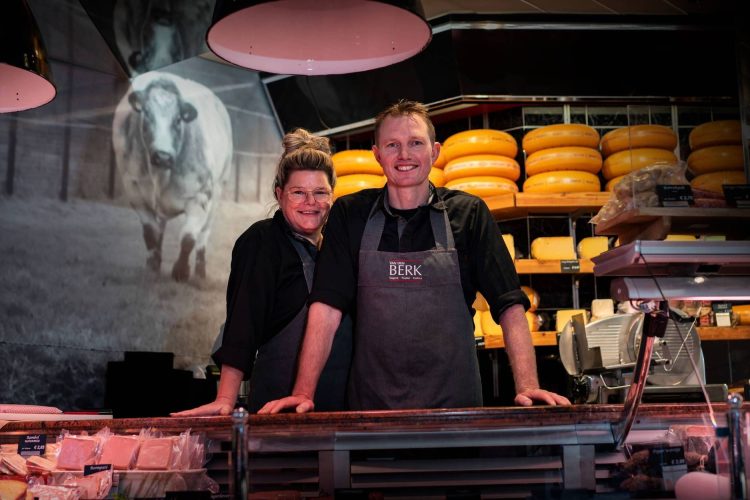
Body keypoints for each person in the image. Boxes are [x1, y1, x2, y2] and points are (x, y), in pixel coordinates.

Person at [260, 100, 570, 414]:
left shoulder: (469, 213)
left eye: (415, 143)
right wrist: (303, 392)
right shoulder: (351, 214)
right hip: (371, 414)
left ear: (434, 152)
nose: (404, 155)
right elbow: (326, 309)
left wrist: (528, 385)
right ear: (377, 155)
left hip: (457, 413)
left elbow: (509, 305)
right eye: (392, 145)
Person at [172, 128, 352, 416]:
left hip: (337, 410)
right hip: (279, 411)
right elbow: (244, 319)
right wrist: (225, 399)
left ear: (332, 195)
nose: (310, 202)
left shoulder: (336, 250)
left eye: (320, 192)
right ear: (279, 195)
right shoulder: (264, 241)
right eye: (298, 193)